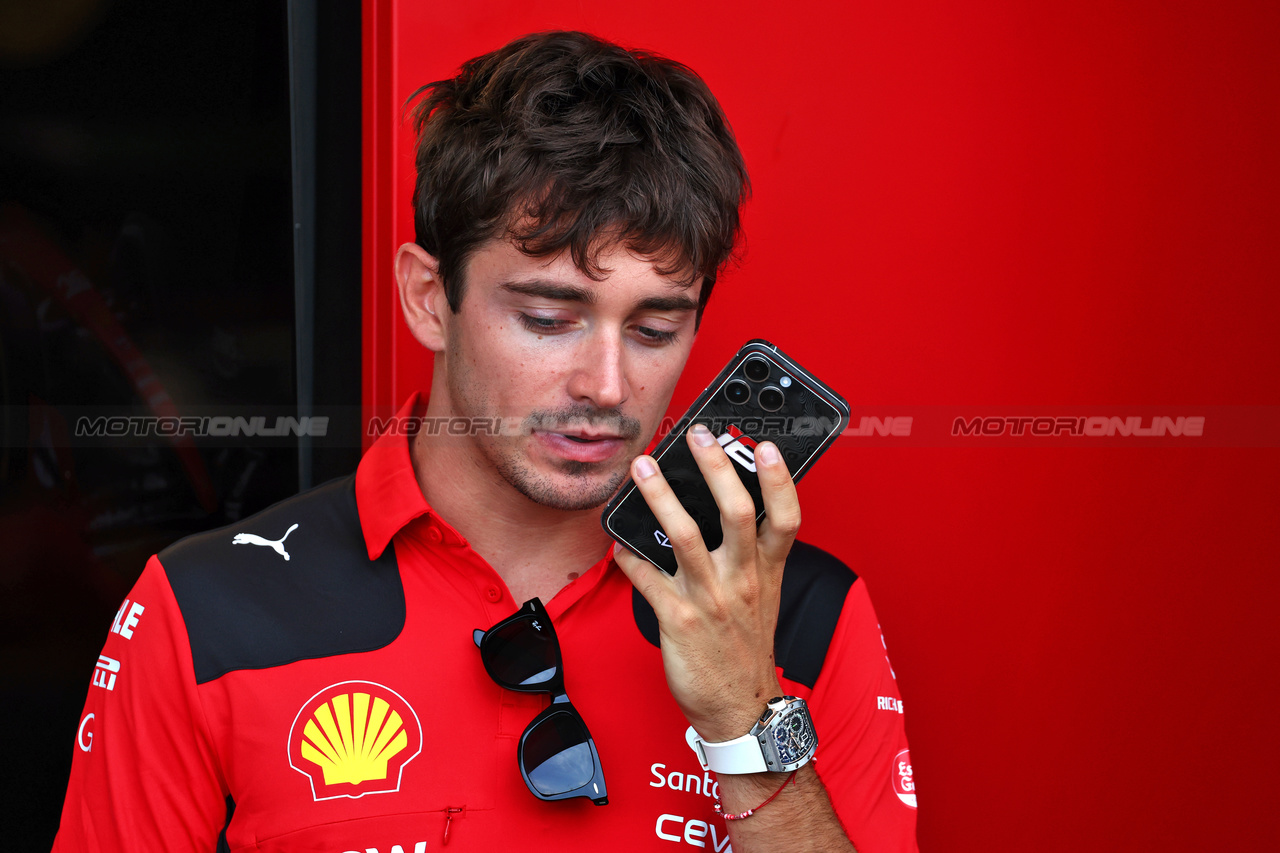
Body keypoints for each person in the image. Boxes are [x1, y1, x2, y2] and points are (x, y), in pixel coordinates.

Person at [53, 31, 917, 852]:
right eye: (548, 318)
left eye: (656, 329)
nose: (606, 386)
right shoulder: (205, 611)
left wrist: (746, 715)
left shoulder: (802, 612)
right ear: (429, 298)